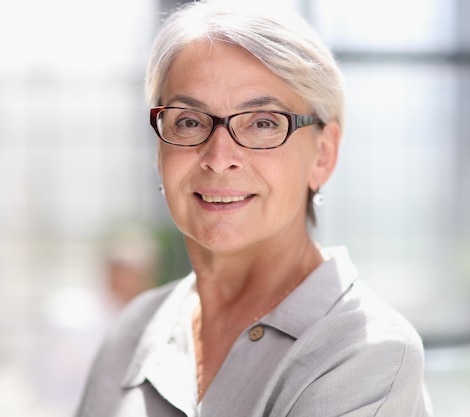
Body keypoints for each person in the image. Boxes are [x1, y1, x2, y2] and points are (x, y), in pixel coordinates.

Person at [74, 1, 432, 416]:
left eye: (262, 122)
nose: (219, 156)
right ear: (159, 147)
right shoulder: (134, 331)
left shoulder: (368, 353)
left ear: (323, 153)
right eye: (189, 121)